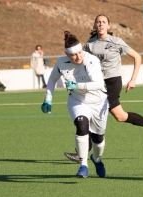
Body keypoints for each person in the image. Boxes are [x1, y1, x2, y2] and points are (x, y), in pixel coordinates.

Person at [64, 14, 143, 163]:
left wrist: (133, 79)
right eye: (98, 22)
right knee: (120, 116)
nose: (101, 24)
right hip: (96, 83)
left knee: (94, 112)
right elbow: (81, 64)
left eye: (104, 22)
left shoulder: (116, 42)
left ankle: (81, 154)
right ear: (95, 25)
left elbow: (137, 57)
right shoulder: (89, 45)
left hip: (112, 82)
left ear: (108, 26)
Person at [41, 31, 109, 178]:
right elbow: (52, 80)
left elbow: (98, 84)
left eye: (80, 52)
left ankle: (96, 159)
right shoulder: (61, 63)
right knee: (81, 125)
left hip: (98, 102)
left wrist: (77, 85)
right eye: (74, 55)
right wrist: (48, 99)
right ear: (66, 54)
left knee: (98, 139)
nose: (78, 57)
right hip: (78, 101)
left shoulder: (91, 60)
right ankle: (83, 165)